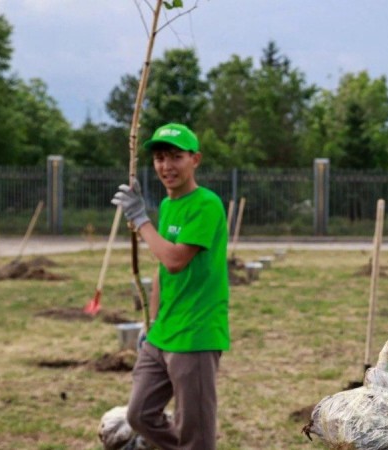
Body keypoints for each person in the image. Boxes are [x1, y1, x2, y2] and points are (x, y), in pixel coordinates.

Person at [111, 123, 229, 450]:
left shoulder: (206, 204)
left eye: (176, 156)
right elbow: (163, 269)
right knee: (139, 414)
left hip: (196, 334)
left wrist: (140, 220)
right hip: (164, 332)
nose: (166, 166)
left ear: (195, 159)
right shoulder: (166, 206)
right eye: (160, 158)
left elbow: (176, 258)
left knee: (197, 432)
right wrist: (151, 322)